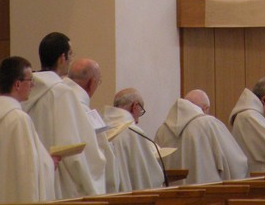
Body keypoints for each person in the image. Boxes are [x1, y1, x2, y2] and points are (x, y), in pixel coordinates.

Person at [22, 32, 105, 198]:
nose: (71, 59)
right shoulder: (62, 93)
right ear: (62, 58)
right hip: (59, 181)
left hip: (31, 177)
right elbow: (74, 148)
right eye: (71, 54)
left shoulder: (26, 92)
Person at [0, 56, 56, 204]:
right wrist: (49, 163)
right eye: (30, 80)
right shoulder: (18, 119)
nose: (33, 85)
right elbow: (29, 170)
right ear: (17, 84)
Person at [154, 89, 248, 184]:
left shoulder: (162, 131)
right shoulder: (209, 124)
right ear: (206, 108)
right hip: (207, 191)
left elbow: (156, 170)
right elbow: (236, 164)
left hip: (171, 193)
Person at [65, 58, 115, 193]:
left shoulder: (54, 100)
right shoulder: (83, 112)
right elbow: (95, 161)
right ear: (92, 83)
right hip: (78, 191)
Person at [103, 88, 165, 191]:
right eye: (140, 111)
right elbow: (151, 177)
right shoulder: (133, 132)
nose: (138, 120)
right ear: (135, 106)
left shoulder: (100, 129)